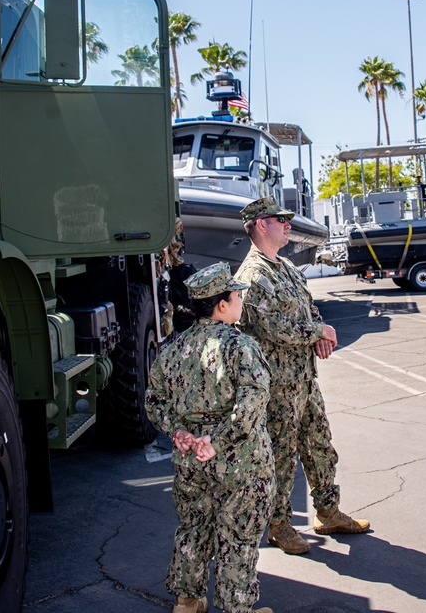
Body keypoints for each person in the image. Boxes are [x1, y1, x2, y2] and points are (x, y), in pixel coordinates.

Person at [235, 197, 369, 556]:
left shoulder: (287, 267)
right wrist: (318, 332)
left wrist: (317, 335)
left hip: (304, 379)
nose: (288, 224)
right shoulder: (253, 275)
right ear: (261, 225)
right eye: (281, 219)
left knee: (320, 445)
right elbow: (273, 327)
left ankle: (327, 511)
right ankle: (279, 525)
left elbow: (308, 308)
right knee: (280, 457)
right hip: (277, 385)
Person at [146, 262, 276, 613]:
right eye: (236, 296)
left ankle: (188, 602)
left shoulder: (173, 349)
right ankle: (237, 609)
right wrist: (216, 441)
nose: (240, 302)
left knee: (193, 528)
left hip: (190, 462)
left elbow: (154, 400)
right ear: (221, 304)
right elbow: (253, 402)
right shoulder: (240, 346)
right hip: (241, 464)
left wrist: (180, 433)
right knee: (239, 537)